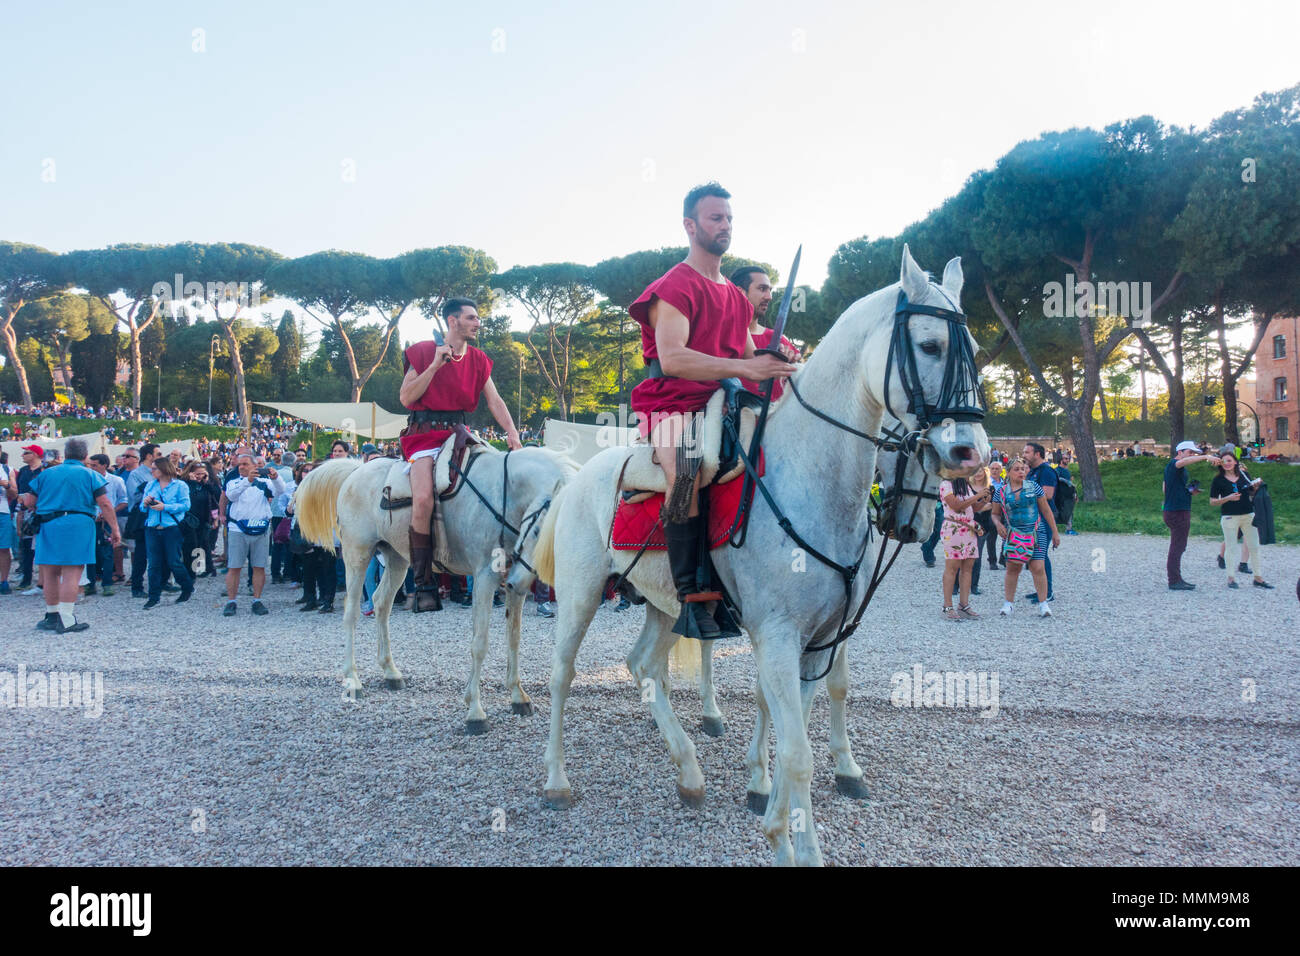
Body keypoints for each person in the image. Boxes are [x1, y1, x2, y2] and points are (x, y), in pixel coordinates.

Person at [628, 182, 794, 639]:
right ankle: (690, 594)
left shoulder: (737, 299)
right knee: (686, 469)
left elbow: (746, 363)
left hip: (721, 400)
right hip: (668, 402)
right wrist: (746, 365)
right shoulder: (672, 286)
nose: (725, 226)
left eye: (729, 219)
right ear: (690, 225)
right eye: (715, 218)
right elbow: (676, 359)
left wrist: (779, 367)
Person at [398, 296, 522, 612]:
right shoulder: (424, 351)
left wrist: (511, 431)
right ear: (453, 321)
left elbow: (495, 401)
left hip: (458, 434)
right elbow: (406, 397)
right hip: (423, 435)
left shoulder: (478, 359)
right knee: (424, 498)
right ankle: (424, 583)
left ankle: (501, 561)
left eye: (477, 318)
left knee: (498, 477)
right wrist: (434, 365)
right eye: (471, 318)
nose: (477, 323)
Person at [20, 437, 122, 633]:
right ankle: (66, 619)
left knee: (49, 572)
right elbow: (105, 504)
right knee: (71, 572)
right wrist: (115, 529)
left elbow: (29, 502)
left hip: (48, 524)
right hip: (79, 524)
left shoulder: (46, 474)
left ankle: (51, 616)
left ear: (65, 454)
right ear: (85, 456)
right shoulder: (91, 475)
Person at [991, 457, 1060, 617]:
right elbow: (994, 514)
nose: (1021, 472)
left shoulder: (1034, 487)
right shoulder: (1000, 491)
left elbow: (1046, 510)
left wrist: (1055, 532)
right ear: (1008, 472)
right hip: (1013, 532)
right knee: (1013, 568)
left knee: (1038, 567)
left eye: (1023, 469)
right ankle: (1008, 603)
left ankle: (1044, 604)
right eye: (1017, 469)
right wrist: (998, 524)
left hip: (1036, 531)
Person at [222, 451, 284, 616]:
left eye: (245, 464)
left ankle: (257, 600)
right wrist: (247, 481)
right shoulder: (233, 480)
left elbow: (280, 491)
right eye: (240, 464)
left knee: (259, 566)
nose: (241, 467)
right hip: (237, 529)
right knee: (234, 567)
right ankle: (231, 601)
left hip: (261, 529)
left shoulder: (264, 482)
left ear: (255, 466)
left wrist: (276, 477)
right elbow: (231, 496)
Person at [731, 265, 800, 399]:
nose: (769, 297)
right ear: (740, 292)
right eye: (762, 289)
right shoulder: (718, 334)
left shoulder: (779, 340)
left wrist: (793, 365)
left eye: (770, 290)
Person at [1209, 449, 1273, 590]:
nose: (1227, 463)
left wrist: (1255, 488)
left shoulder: (1244, 474)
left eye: (1229, 460)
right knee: (1231, 547)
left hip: (1248, 514)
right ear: (1220, 463)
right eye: (1224, 461)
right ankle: (1231, 578)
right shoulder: (1218, 480)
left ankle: (1258, 578)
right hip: (1229, 516)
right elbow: (1212, 501)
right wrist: (1228, 498)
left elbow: (1250, 492)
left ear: (1235, 462)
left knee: (1254, 547)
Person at [1162, 440, 1219, 591]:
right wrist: (1205, 457)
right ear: (1180, 452)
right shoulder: (1174, 465)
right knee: (1177, 546)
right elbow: (1183, 462)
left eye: (1193, 453)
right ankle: (1174, 580)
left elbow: (1164, 488)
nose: (1192, 455)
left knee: (1179, 546)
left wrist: (1187, 492)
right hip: (1177, 511)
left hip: (1175, 509)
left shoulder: (1175, 470)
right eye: (1190, 452)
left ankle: (1176, 579)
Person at [138, 455, 194, 609]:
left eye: (154, 468)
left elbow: (185, 505)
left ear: (163, 469)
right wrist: (145, 503)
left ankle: (187, 587)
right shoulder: (150, 485)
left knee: (173, 561)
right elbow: (142, 508)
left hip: (171, 528)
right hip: (152, 527)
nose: (151, 471)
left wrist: (166, 507)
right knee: (154, 564)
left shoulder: (180, 486)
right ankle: (154, 596)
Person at [939, 475, 987, 620]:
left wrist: (984, 499)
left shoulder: (965, 486)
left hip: (968, 529)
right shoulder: (946, 484)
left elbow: (973, 508)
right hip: (953, 528)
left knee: (968, 568)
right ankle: (948, 606)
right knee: (952, 568)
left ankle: (964, 605)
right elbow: (957, 506)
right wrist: (977, 495)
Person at [86, 454, 128, 595]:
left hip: (107, 522)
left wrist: (109, 512)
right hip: (90, 520)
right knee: (90, 552)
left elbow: (124, 500)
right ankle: (90, 583)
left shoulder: (116, 480)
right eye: (90, 465)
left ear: (104, 465)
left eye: (94, 465)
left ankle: (107, 583)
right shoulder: (86, 480)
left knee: (108, 552)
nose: (91, 468)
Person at [1022, 442, 1058, 603]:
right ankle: (1040, 589)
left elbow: (1048, 494)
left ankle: (1048, 592)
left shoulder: (1047, 471)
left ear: (1037, 454)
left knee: (1041, 556)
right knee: (1033, 556)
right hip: (1031, 519)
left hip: (1044, 520)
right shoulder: (1033, 471)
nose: (1024, 455)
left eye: (1027, 452)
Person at [125, 444, 159, 597]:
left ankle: (160, 583)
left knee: (160, 552)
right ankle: (137, 586)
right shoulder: (136, 474)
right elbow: (135, 497)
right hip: (143, 518)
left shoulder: (161, 473)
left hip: (159, 517)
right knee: (141, 553)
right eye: (158, 453)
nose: (161, 456)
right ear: (149, 456)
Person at [14, 444, 46, 593]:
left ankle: (44, 581)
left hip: (42, 512)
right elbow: (20, 494)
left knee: (42, 546)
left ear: (35, 454)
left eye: (26, 453)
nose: (23, 456)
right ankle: (26, 578)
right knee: (26, 546)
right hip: (26, 511)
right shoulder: (23, 471)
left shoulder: (45, 471)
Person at [0, 452, 16, 594]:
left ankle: (4, 581)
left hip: (2, 512)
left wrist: (6, 486)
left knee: (4, 548)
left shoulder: (7, 470)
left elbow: (15, 494)